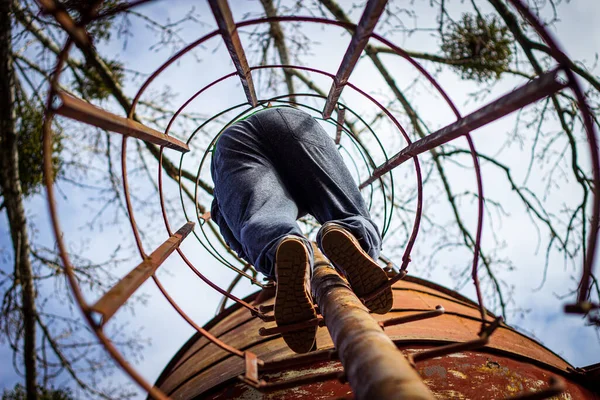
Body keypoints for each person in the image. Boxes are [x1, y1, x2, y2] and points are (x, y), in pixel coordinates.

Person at [210, 106, 393, 353]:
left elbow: (225, 221)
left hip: (234, 143)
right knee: (341, 204)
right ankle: (352, 234)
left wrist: (263, 261)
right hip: (287, 119)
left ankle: (279, 245)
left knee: (262, 219)